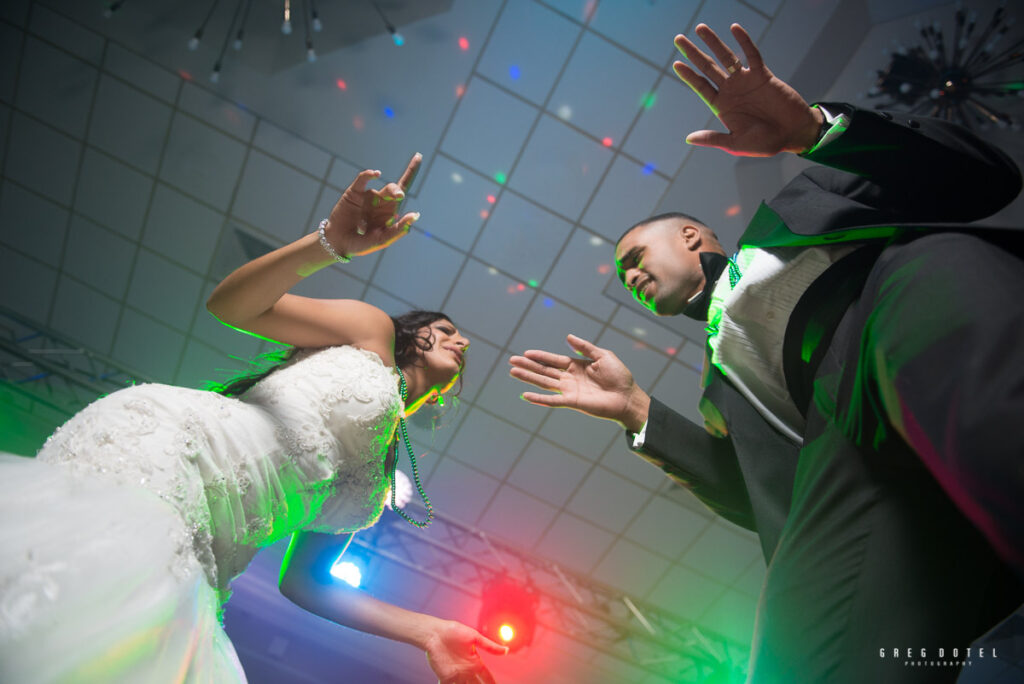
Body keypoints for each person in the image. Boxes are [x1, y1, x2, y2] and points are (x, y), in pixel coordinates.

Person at [510, 22, 1024, 684]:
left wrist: (815, 132)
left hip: (892, 312)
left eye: (636, 258)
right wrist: (637, 410)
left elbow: (985, 178)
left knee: (922, 280)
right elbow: (751, 494)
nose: (631, 279)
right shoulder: (718, 387)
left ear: (694, 235)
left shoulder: (805, 205)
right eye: (626, 279)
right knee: (791, 657)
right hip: (839, 461)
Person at [0, 154, 507, 683]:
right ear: (413, 335)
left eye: (461, 339)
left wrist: (427, 631)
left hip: (212, 554)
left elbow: (306, 583)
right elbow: (230, 307)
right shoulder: (371, 332)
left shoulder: (380, 476)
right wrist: (329, 244)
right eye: (445, 330)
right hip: (174, 455)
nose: (461, 340)